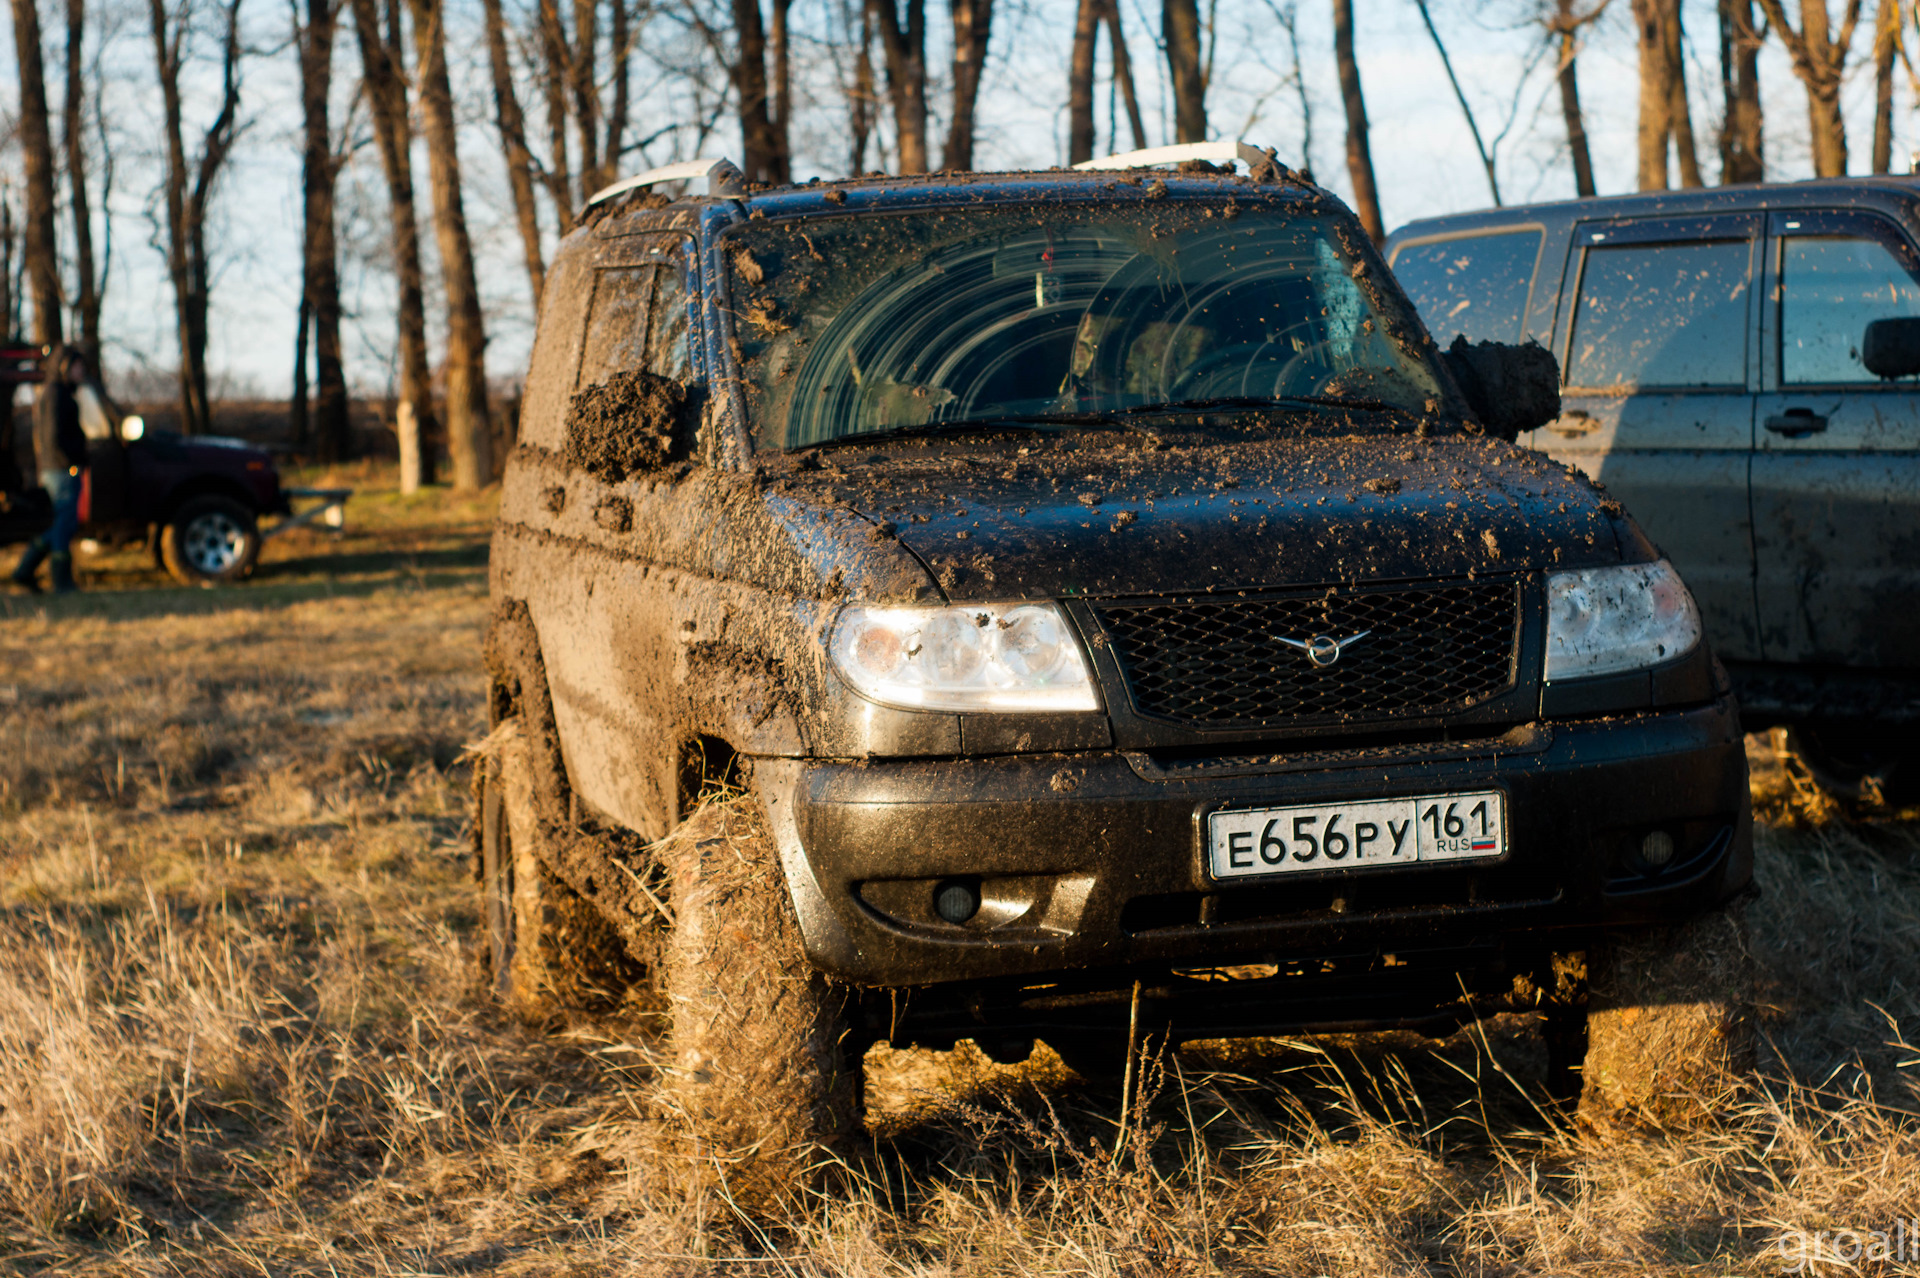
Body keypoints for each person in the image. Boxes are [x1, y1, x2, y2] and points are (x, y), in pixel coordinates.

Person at [10, 345, 89, 594]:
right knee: (63, 524)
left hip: (58, 468)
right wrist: (71, 462)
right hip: (61, 470)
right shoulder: (56, 394)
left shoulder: (59, 393)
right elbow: (54, 436)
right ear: (64, 367)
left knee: (58, 524)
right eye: (77, 366)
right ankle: (61, 580)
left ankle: (24, 570)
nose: (81, 371)